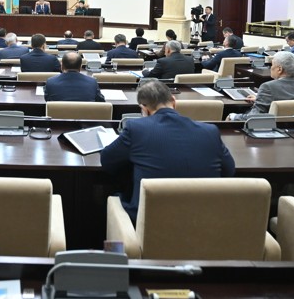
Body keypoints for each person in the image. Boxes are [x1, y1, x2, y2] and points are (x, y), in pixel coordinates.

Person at [100, 80, 235, 221]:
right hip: (205, 222)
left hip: (148, 224)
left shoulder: (136, 128)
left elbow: (107, 161)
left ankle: (109, 236)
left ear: (144, 109)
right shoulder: (210, 131)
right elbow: (229, 171)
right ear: (174, 101)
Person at [228, 52, 294, 121]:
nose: (271, 68)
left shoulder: (268, 87)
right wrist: (260, 99)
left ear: (279, 69)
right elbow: (291, 104)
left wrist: (233, 116)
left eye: (272, 65)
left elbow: (254, 117)